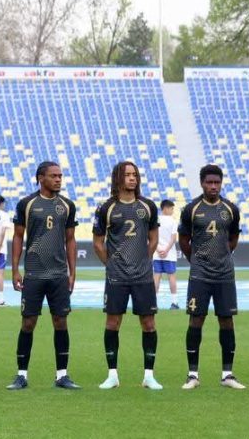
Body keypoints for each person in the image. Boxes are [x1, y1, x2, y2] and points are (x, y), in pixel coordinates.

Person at [6, 162, 79, 390]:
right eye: (53, 176)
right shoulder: (26, 204)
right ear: (41, 178)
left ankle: (62, 375)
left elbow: (70, 239)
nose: (58, 179)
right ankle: (21, 375)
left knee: (61, 322)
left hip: (58, 275)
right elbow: (18, 237)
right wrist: (15, 269)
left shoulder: (67, 205)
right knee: (28, 322)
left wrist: (72, 272)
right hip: (34, 274)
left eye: (60, 176)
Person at [93, 161, 163, 390]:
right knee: (113, 323)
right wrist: (111, 264)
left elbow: (154, 238)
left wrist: (145, 259)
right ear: (118, 178)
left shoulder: (148, 206)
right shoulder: (106, 208)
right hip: (117, 277)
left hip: (143, 276)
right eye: (128, 175)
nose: (133, 178)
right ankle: (112, 375)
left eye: (135, 175)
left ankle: (149, 376)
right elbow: (98, 243)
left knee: (149, 323)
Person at [179, 165, 245, 390]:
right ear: (202, 183)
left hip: (224, 274)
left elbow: (233, 238)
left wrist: (222, 256)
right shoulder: (191, 209)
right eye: (209, 182)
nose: (213, 186)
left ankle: (227, 375)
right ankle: (192, 375)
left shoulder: (231, 209)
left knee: (226, 320)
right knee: (196, 319)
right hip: (199, 275)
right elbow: (184, 240)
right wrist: (198, 261)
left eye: (217, 182)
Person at [153, 200, 180, 310]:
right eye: (172, 208)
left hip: (157, 253)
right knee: (171, 277)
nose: (172, 211)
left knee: (156, 277)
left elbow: (152, 237)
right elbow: (173, 238)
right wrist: (166, 250)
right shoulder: (173, 221)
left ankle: (153, 303)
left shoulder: (156, 220)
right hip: (169, 254)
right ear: (166, 208)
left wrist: (158, 249)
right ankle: (174, 302)